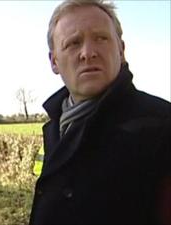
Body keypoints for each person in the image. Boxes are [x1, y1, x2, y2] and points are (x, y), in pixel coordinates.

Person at [29, 0, 171, 224]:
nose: (88, 52)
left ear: (121, 50)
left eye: (101, 38)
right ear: (54, 61)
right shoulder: (54, 127)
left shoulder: (161, 124)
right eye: (73, 43)